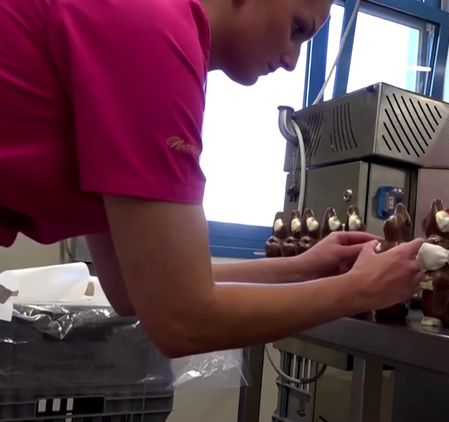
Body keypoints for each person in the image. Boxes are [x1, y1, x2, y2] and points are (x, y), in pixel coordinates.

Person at [0, 0, 423, 357]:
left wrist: (301, 268)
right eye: (296, 29)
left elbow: (132, 291)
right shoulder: (154, 32)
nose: (292, 61)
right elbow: (181, 320)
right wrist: (361, 290)